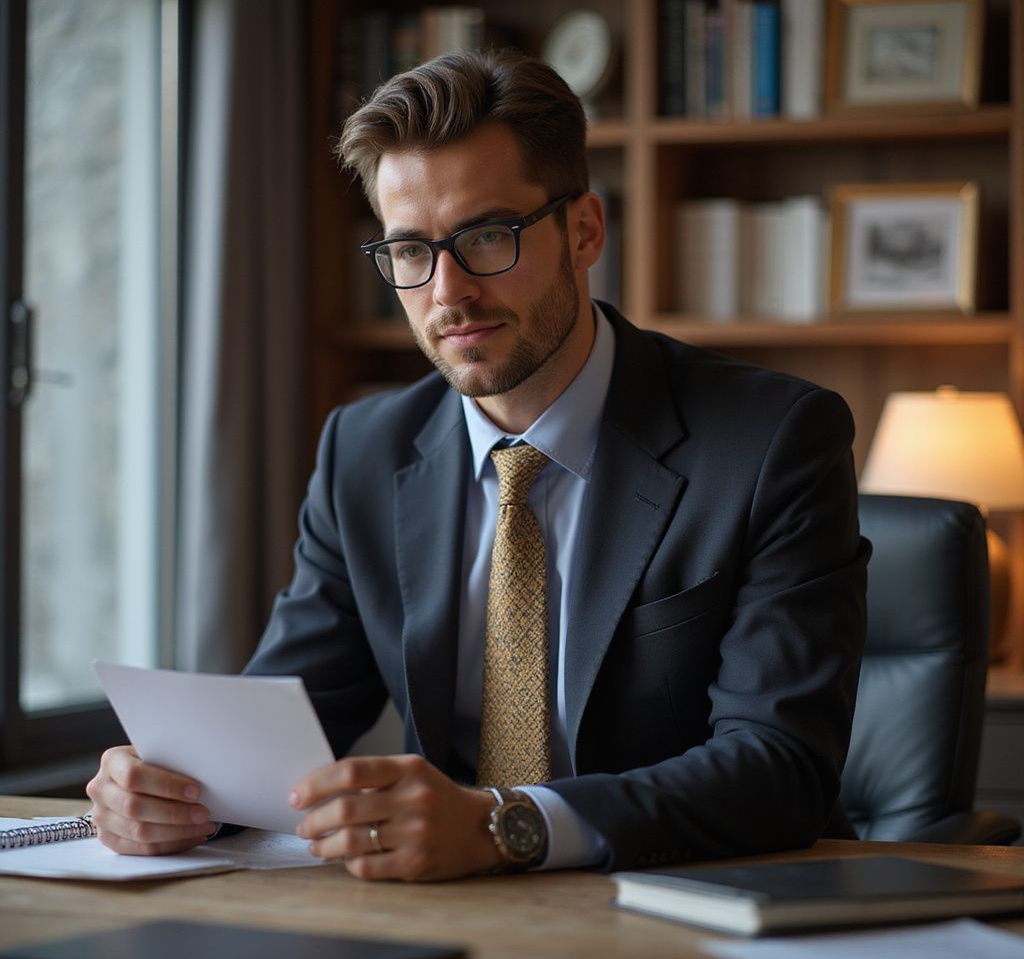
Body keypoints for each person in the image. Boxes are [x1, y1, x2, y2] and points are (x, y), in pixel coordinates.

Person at [87, 49, 869, 882]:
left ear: (584, 232)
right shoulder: (364, 451)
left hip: (701, 901)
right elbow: (279, 729)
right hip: (450, 910)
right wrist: (171, 793)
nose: (447, 293)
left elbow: (780, 766)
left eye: (487, 236)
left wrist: (509, 826)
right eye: (409, 252)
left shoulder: (772, 440)